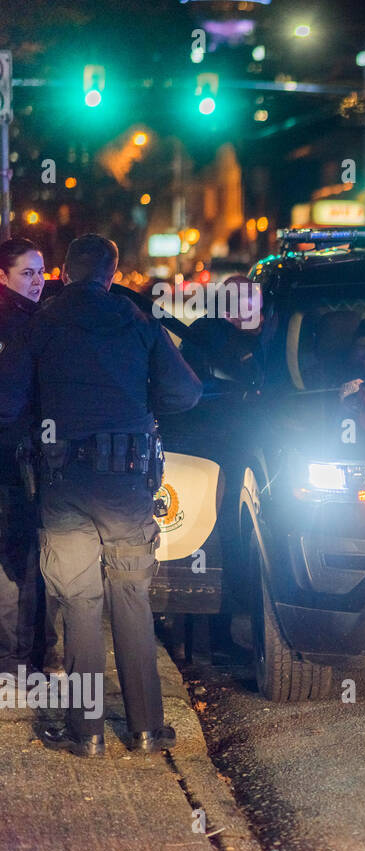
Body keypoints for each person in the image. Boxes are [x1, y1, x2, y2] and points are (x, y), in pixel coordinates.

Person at [0, 235, 203, 756]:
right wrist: (135, 397)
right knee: (132, 598)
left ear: (65, 272)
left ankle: (86, 732)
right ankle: (146, 729)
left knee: (78, 603)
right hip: (127, 483)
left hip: (63, 483)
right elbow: (186, 393)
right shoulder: (136, 320)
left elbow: (7, 401)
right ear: (111, 274)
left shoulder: (42, 322)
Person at [0, 239, 45, 677]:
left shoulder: (33, 318)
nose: (36, 281)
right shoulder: (19, 325)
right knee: (17, 561)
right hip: (14, 461)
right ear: (3, 276)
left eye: (41, 272)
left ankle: (19, 659)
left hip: (20, 458)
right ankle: (15, 662)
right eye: (26, 273)